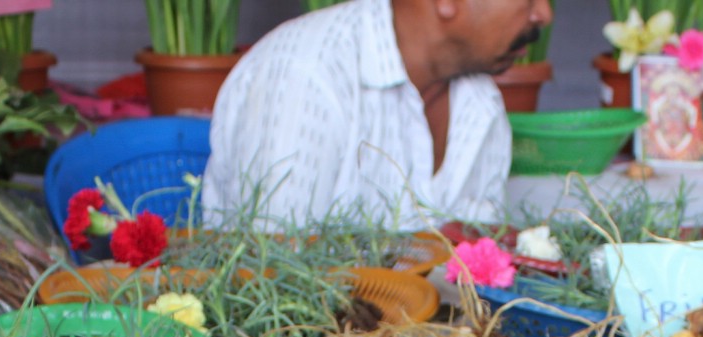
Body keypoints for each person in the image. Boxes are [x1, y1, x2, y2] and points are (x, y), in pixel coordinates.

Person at [200, 0, 550, 230]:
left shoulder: (481, 100)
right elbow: (272, 277)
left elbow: (481, 270)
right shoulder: (306, 76)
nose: (543, 15)